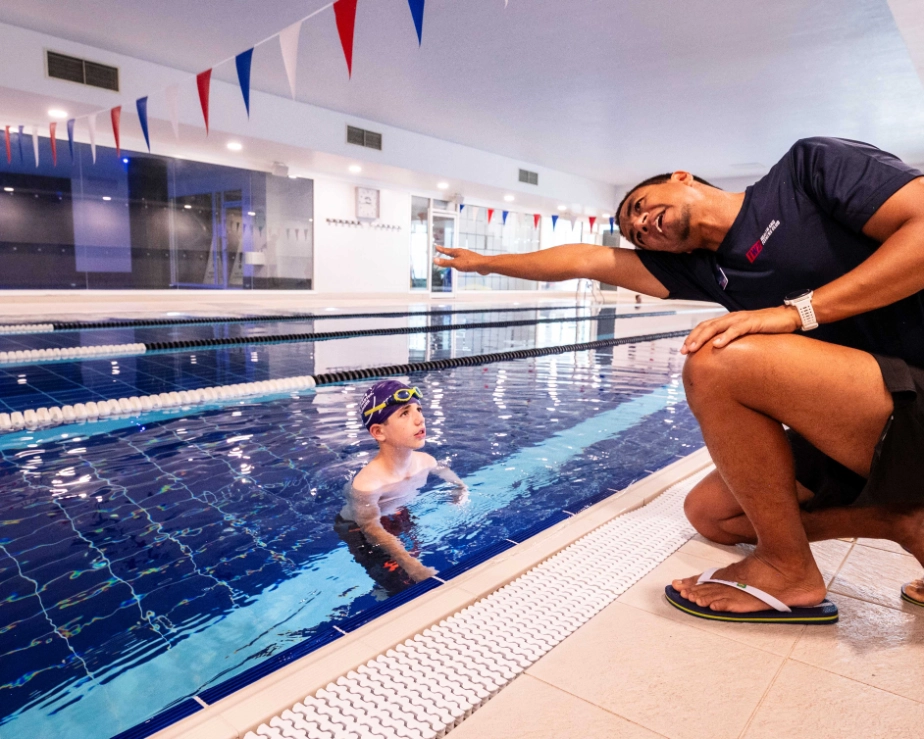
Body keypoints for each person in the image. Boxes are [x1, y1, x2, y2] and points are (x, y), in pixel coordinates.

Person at [435, 137, 924, 623]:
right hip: (879, 408)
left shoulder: (807, 169)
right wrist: (483, 263)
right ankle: (905, 522)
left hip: (913, 387)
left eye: (640, 208)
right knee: (713, 513)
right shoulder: (708, 272)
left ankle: (786, 568)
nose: (641, 226)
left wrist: (795, 314)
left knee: (716, 358)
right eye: (635, 232)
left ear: (681, 176)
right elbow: (587, 259)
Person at [334, 380, 467, 595]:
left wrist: (460, 488)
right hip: (358, 527)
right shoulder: (368, 484)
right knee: (401, 585)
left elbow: (443, 471)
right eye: (405, 413)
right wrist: (414, 568)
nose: (419, 419)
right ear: (378, 432)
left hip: (396, 512)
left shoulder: (424, 461)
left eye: (419, 409)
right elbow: (371, 529)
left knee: (416, 555)